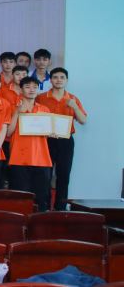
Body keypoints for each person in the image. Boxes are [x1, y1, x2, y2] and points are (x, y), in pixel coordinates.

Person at [36, 67, 87, 210]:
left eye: (62, 77)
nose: (58, 80)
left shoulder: (73, 99)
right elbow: (35, 119)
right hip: (46, 140)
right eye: (55, 77)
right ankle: (44, 206)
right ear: (50, 80)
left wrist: (75, 107)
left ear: (66, 80)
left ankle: (61, 207)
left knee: (64, 174)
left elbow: (83, 120)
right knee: (45, 174)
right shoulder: (41, 98)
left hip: (66, 141)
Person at [6, 77, 52, 211]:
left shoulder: (44, 109)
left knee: (41, 197)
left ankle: (40, 222)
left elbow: (48, 132)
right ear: (21, 89)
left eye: (34, 87)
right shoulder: (12, 107)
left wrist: (53, 132)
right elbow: (8, 132)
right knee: (20, 198)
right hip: (19, 158)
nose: (31, 90)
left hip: (41, 159)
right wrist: (17, 112)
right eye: (27, 87)